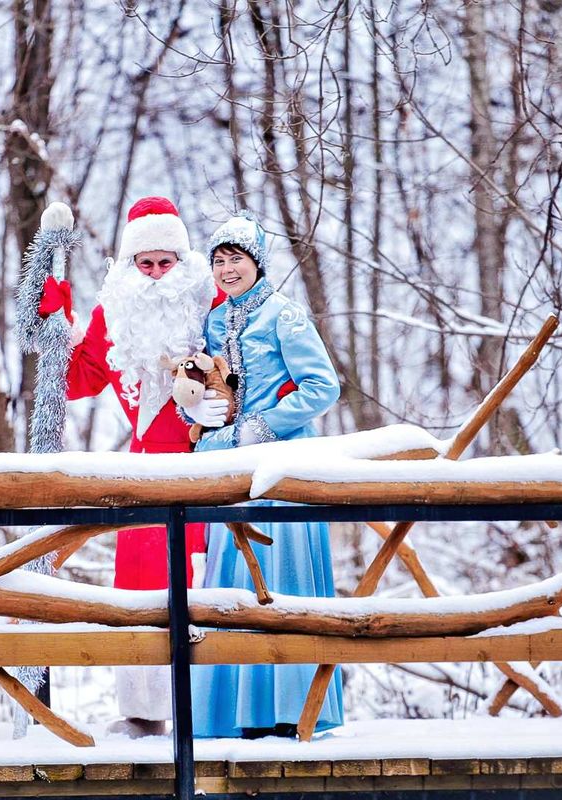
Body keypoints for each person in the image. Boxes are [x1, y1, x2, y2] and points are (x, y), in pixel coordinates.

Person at [35, 196, 227, 737]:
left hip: (210, 468)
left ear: (184, 262)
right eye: (146, 264)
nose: (157, 274)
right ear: (128, 267)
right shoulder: (112, 314)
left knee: (208, 588)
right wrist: (56, 318)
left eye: (167, 263)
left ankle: (212, 713)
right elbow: (77, 379)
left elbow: (250, 368)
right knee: (143, 591)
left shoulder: (211, 304)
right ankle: (145, 712)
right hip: (142, 478)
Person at [190, 212, 344, 739]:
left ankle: (291, 710)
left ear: (257, 263)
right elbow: (216, 389)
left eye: (236, 259)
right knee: (232, 583)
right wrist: (207, 416)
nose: (227, 269)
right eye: (219, 261)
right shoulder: (214, 322)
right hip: (232, 464)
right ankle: (234, 715)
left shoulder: (286, 315)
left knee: (282, 579)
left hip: (283, 470)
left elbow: (323, 388)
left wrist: (264, 425)